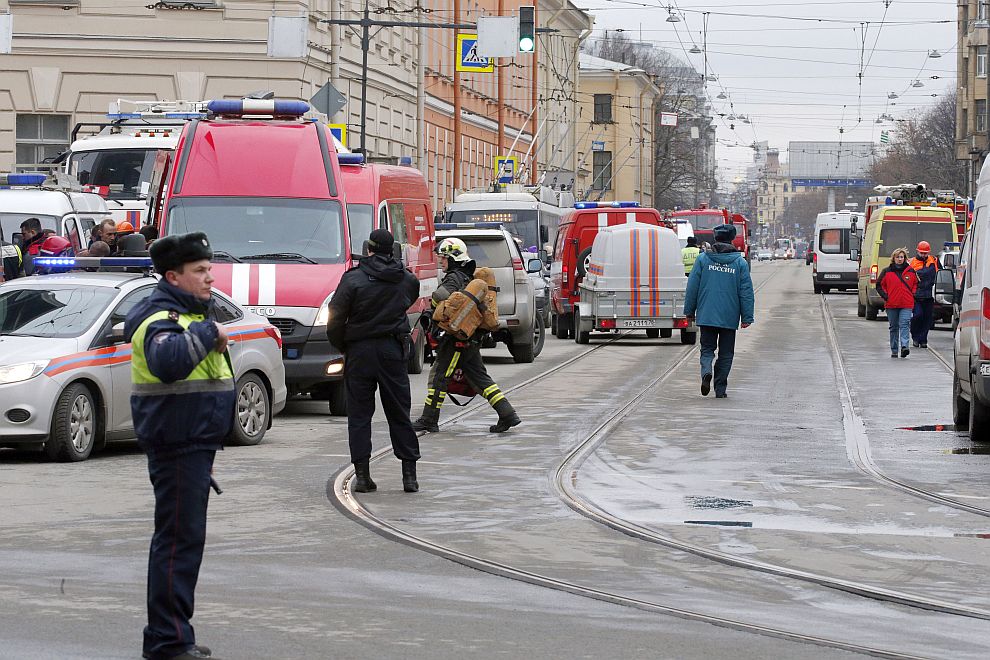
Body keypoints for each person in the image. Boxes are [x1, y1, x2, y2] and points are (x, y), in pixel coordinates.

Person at [124, 232, 234, 660]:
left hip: (193, 441)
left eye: (209, 269)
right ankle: (168, 643)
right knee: (176, 544)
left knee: (183, 542)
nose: (210, 278)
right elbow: (168, 364)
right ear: (173, 275)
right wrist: (209, 331)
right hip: (178, 443)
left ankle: (171, 636)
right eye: (200, 271)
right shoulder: (159, 317)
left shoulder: (186, 313)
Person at [326, 229, 421, 493]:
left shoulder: (353, 279)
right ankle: (409, 475)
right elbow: (408, 300)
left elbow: (335, 315)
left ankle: (363, 476)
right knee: (399, 412)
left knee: (359, 415)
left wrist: (344, 344)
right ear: (392, 250)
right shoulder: (405, 279)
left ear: (369, 248)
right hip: (392, 349)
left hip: (360, 351)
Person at [412, 237, 521, 433]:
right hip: (470, 339)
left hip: (455, 340)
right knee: (480, 379)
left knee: (439, 377)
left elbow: (441, 298)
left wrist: (431, 311)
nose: (441, 261)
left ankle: (429, 419)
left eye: (444, 258)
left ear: (453, 258)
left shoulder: (453, 278)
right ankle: (508, 414)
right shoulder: (468, 277)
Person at [684, 224, 755, 398]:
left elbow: (692, 287)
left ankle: (706, 371)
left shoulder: (703, 259)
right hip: (729, 317)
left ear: (715, 238)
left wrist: (689, 311)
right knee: (726, 353)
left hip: (707, 314)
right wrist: (747, 317)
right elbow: (746, 292)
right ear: (731, 239)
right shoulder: (740, 263)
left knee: (707, 349)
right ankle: (720, 388)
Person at [876, 247, 919, 358]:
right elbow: (879, 285)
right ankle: (894, 349)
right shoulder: (887, 271)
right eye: (897, 257)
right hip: (891, 304)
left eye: (902, 257)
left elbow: (916, 283)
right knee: (894, 327)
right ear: (893, 258)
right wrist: (886, 296)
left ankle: (904, 347)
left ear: (905, 258)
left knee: (904, 324)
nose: (900, 259)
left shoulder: (910, 271)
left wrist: (913, 294)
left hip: (906, 304)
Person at [909, 241, 939, 348]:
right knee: (917, 316)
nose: (923, 255)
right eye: (921, 253)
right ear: (917, 251)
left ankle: (923, 340)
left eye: (925, 253)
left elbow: (938, 275)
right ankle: (915, 337)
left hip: (929, 296)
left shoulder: (934, 261)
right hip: (916, 296)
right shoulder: (912, 262)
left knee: (927, 319)